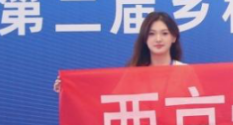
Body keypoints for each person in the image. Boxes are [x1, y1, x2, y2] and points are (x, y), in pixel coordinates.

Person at [54, 10, 185, 91]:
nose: (158, 39)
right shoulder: (134, 73)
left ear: (174, 37)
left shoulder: (185, 71)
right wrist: (70, 89)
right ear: (144, 38)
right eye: (151, 34)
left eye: (164, 33)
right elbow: (110, 104)